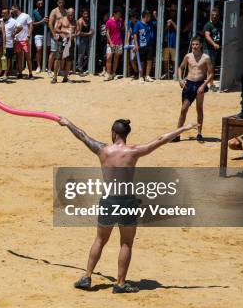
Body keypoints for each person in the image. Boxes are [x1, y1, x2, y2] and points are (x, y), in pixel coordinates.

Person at [58, 116, 198, 293]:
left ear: (113, 133)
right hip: (127, 201)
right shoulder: (133, 152)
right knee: (126, 243)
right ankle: (120, 283)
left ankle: (87, 276)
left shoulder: (103, 150)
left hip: (108, 200)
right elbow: (161, 139)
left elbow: (82, 135)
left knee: (100, 240)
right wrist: (184, 128)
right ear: (126, 134)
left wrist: (68, 123)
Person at [175, 36, 213, 143]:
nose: (194, 46)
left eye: (196, 44)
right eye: (193, 44)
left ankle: (199, 133)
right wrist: (180, 80)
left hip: (200, 84)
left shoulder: (206, 57)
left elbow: (210, 74)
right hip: (189, 84)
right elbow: (180, 68)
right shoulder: (188, 56)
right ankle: (177, 134)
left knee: (199, 109)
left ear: (201, 45)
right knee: (183, 109)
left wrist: (204, 85)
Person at [52, 8, 77, 84]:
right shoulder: (62, 20)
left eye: (72, 15)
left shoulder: (75, 22)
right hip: (61, 41)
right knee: (58, 58)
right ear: (67, 13)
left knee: (69, 60)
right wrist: (64, 31)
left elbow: (77, 32)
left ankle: (66, 77)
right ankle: (55, 77)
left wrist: (73, 35)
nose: (70, 16)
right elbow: (56, 29)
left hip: (70, 42)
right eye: (69, 15)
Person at [11, 4, 34, 79]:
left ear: (16, 8)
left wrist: (29, 36)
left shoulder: (26, 15)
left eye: (12, 9)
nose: (11, 10)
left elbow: (31, 25)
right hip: (17, 40)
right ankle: (20, 73)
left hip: (25, 39)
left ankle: (30, 73)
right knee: (19, 57)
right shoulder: (14, 18)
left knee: (28, 57)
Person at [132, 10, 155, 82]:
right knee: (141, 62)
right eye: (149, 16)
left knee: (149, 61)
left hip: (149, 45)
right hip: (141, 46)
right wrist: (136, 44)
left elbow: (158, 23)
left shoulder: (149, 24)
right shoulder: (138, 24)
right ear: (146, 16)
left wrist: (155, 15)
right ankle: (141, 76)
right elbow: (135, 34)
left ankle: (147, 76)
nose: (150, 18)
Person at [48, 0, 67, 76]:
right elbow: (50, 23)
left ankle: (60, 70)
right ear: (57, 3)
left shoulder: (66, 11)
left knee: (62, 53)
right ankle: (49, 70)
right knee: (53, 52)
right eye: (59, 2)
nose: (61, 4)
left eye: (62, 2)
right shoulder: (54, 11)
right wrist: (54, 34)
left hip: (63, 35)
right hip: (55, 34)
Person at [105, 8, 124, 81]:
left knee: (116, 58)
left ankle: (113, 73)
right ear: (114, 14)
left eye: (120, 14)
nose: (119, 15)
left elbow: (121, 28)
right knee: (108, 58)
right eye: (118, 14)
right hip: (111, 43)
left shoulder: (120, 20)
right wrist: (111, 42)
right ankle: (108, 73)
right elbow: (107, 33)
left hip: (119, 42)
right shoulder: (109, 22)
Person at [32, 0, 48, 73]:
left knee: (48, 50)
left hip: (47, 33)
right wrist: (41, 22)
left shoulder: (46, 11)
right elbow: (32, 24)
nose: (41, 5)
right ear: (36, 4)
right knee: (39, 49)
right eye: (39, 3)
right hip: (38, 34)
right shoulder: (34, 12)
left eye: (42, 3)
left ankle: (47, 66)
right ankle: (39, 66)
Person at [75, 9, 93, 75]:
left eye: (87, 13)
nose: (86, 15)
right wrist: (89, 34)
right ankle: (79, 69)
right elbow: (78, 33)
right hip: (81, 39)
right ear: (82, 14)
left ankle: (81, 68)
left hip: (85, 39)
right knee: (81, 55)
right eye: (84, 14)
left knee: (85, 55)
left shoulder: (87, 20)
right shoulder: (80, 21)